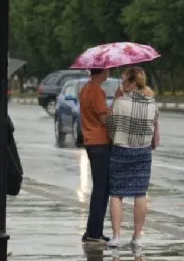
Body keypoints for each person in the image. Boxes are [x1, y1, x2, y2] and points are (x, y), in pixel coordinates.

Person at [105, 67, 158, 249]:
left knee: (117, 194)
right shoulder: (151, 104)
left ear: (133, 83)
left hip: (121, 151)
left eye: (124, 81)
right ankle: (137, 237)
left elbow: (110, 127)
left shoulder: (120, 103)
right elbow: (154, 127)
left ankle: (116, 236)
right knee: (140, 193)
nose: (121, 84)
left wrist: (115, 100)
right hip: (143, 152)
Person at [79, 68, 112, 244]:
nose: (110, 72)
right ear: (102, 71)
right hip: (100, 142)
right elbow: (103, 119)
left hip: (90, 141)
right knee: (101, 188)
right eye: (108, 70)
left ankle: (95, 230)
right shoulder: (97, 91)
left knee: (100, 187)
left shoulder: (85, 88)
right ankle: (94, 232)